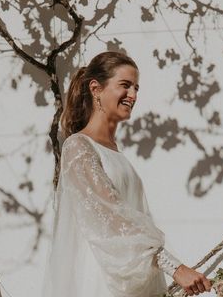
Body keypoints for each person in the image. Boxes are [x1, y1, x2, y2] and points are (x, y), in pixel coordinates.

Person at [43, 51, 212, 297]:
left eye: (136, 88)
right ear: (96, 88)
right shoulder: (79, 147)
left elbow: (135, 217)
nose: (133, 95)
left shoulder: (116, 154)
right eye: (125, 85)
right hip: (103, 280)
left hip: (132, 278)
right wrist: (174, 267)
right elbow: (110, 218)